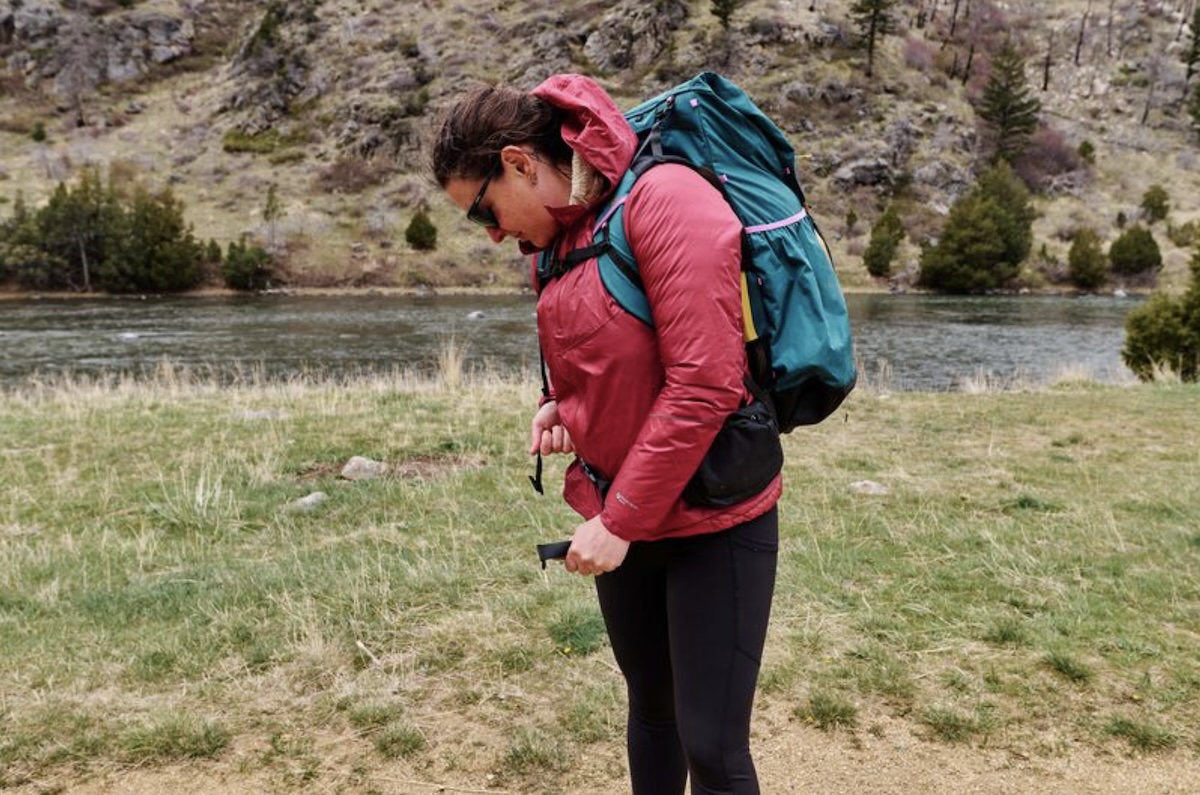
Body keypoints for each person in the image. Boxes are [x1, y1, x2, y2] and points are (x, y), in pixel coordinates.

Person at [432, 74, 782, 795]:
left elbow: (706, 382)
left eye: (484, 211)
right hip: (620, 510)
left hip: (713, 514)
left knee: (712, 745)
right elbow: (600, 341)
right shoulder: (555, 240)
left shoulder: (666, 200)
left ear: (519, 163)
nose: (491, 233)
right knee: (651, 709)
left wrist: (618, 522)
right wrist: (560, 404)